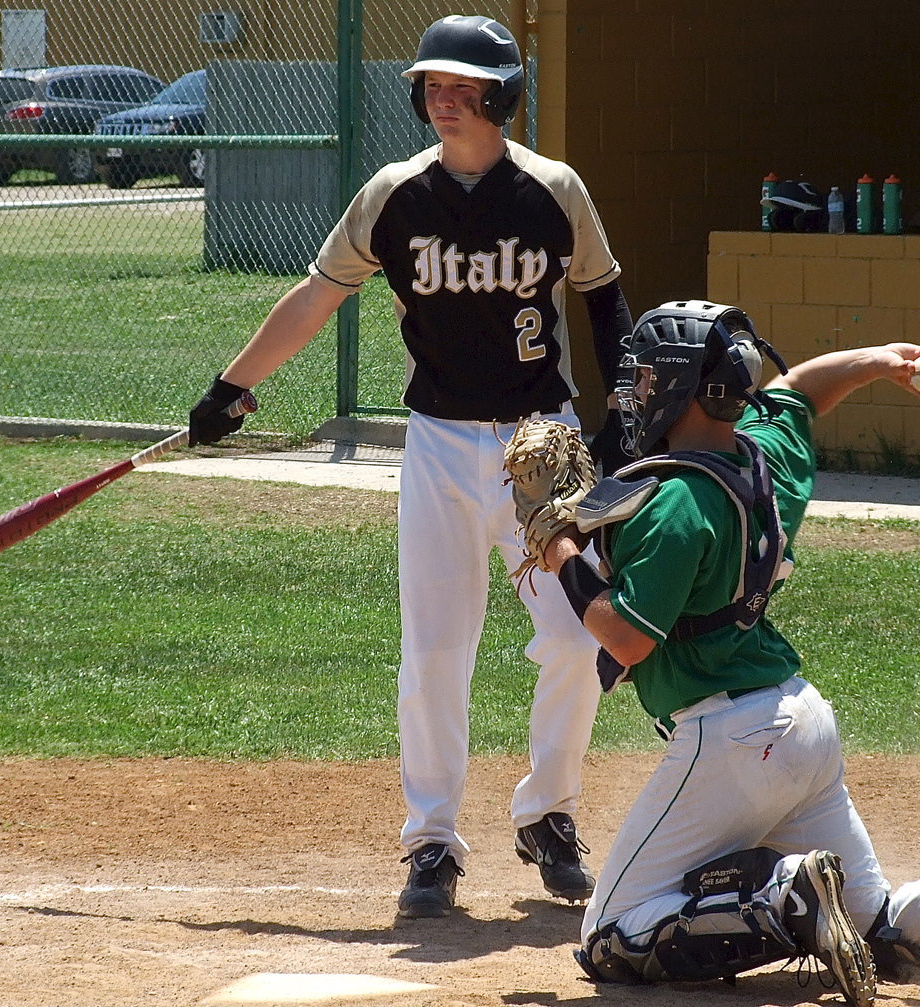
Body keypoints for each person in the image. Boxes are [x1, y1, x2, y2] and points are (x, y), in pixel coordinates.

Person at [538, 300, 920, 1005]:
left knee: (610, 936)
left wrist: (558, 548)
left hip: (727, 740)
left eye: (649, 379)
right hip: (801, 721)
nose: (636, 393)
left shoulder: (674, 503)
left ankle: (787, 896)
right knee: (878, 923)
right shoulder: (761, 457)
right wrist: (878, 362)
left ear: (688, 388)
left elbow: (625, 634)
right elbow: (799, 391)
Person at [186, 14, 633, 918]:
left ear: (501, 95)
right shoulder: (395, 194)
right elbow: (317, 296)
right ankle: (432, 839)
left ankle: (548, 812)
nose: (441, 95)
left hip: (539, 448)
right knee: (434, 645)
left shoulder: (553, 190)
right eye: (431, 81)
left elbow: (606, 303)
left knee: (577, 635)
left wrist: (620, 421)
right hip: (436, 442)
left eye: (462, 83)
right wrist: (232, 385)